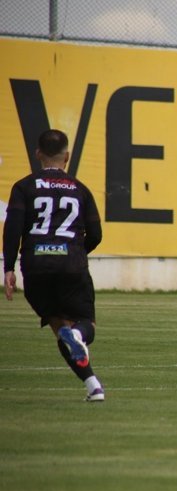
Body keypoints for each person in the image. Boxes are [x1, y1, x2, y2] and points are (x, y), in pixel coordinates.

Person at [3, 129, 105, 401]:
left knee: (60, 327)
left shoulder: (24, 187)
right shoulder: (80, 189)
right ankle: (79, 338)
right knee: (85, 326)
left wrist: (8, 267)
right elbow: (95, 234)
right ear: (67, 156)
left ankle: (93, 385)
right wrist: (76, 252)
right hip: (71, 265)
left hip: (35, 267)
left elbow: (12, 229)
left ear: (38, 154)